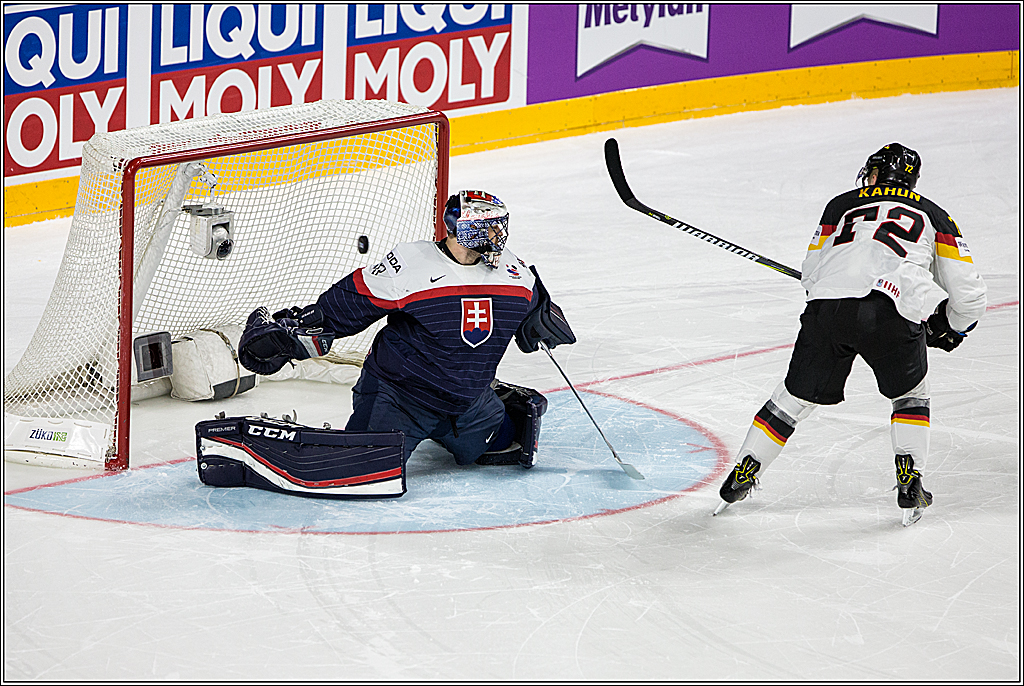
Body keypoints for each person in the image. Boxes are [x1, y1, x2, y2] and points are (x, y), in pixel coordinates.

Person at [715, 144, 987, 525]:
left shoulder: (840, 205)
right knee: (910, 395)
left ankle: (745, 469)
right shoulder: (935, 215)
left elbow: (812, 272)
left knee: (791, 399)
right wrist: (948, 325)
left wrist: (831, 285)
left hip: (827, 310)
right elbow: (970, 298)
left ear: (877, 174)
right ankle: (910, 480)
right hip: (889, 310)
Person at [237, 190, 575, 469]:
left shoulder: (513, 271)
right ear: (464, 229)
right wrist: (293, 334)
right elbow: (347, 306)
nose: (497, 235)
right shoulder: (412, 265)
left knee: (508, 445)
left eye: (499, 227)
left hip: (468, 403)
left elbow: (535, 311)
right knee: (363, 469)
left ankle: (487, 405)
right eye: (488, 227)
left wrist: (543, 318)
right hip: (400, 398)